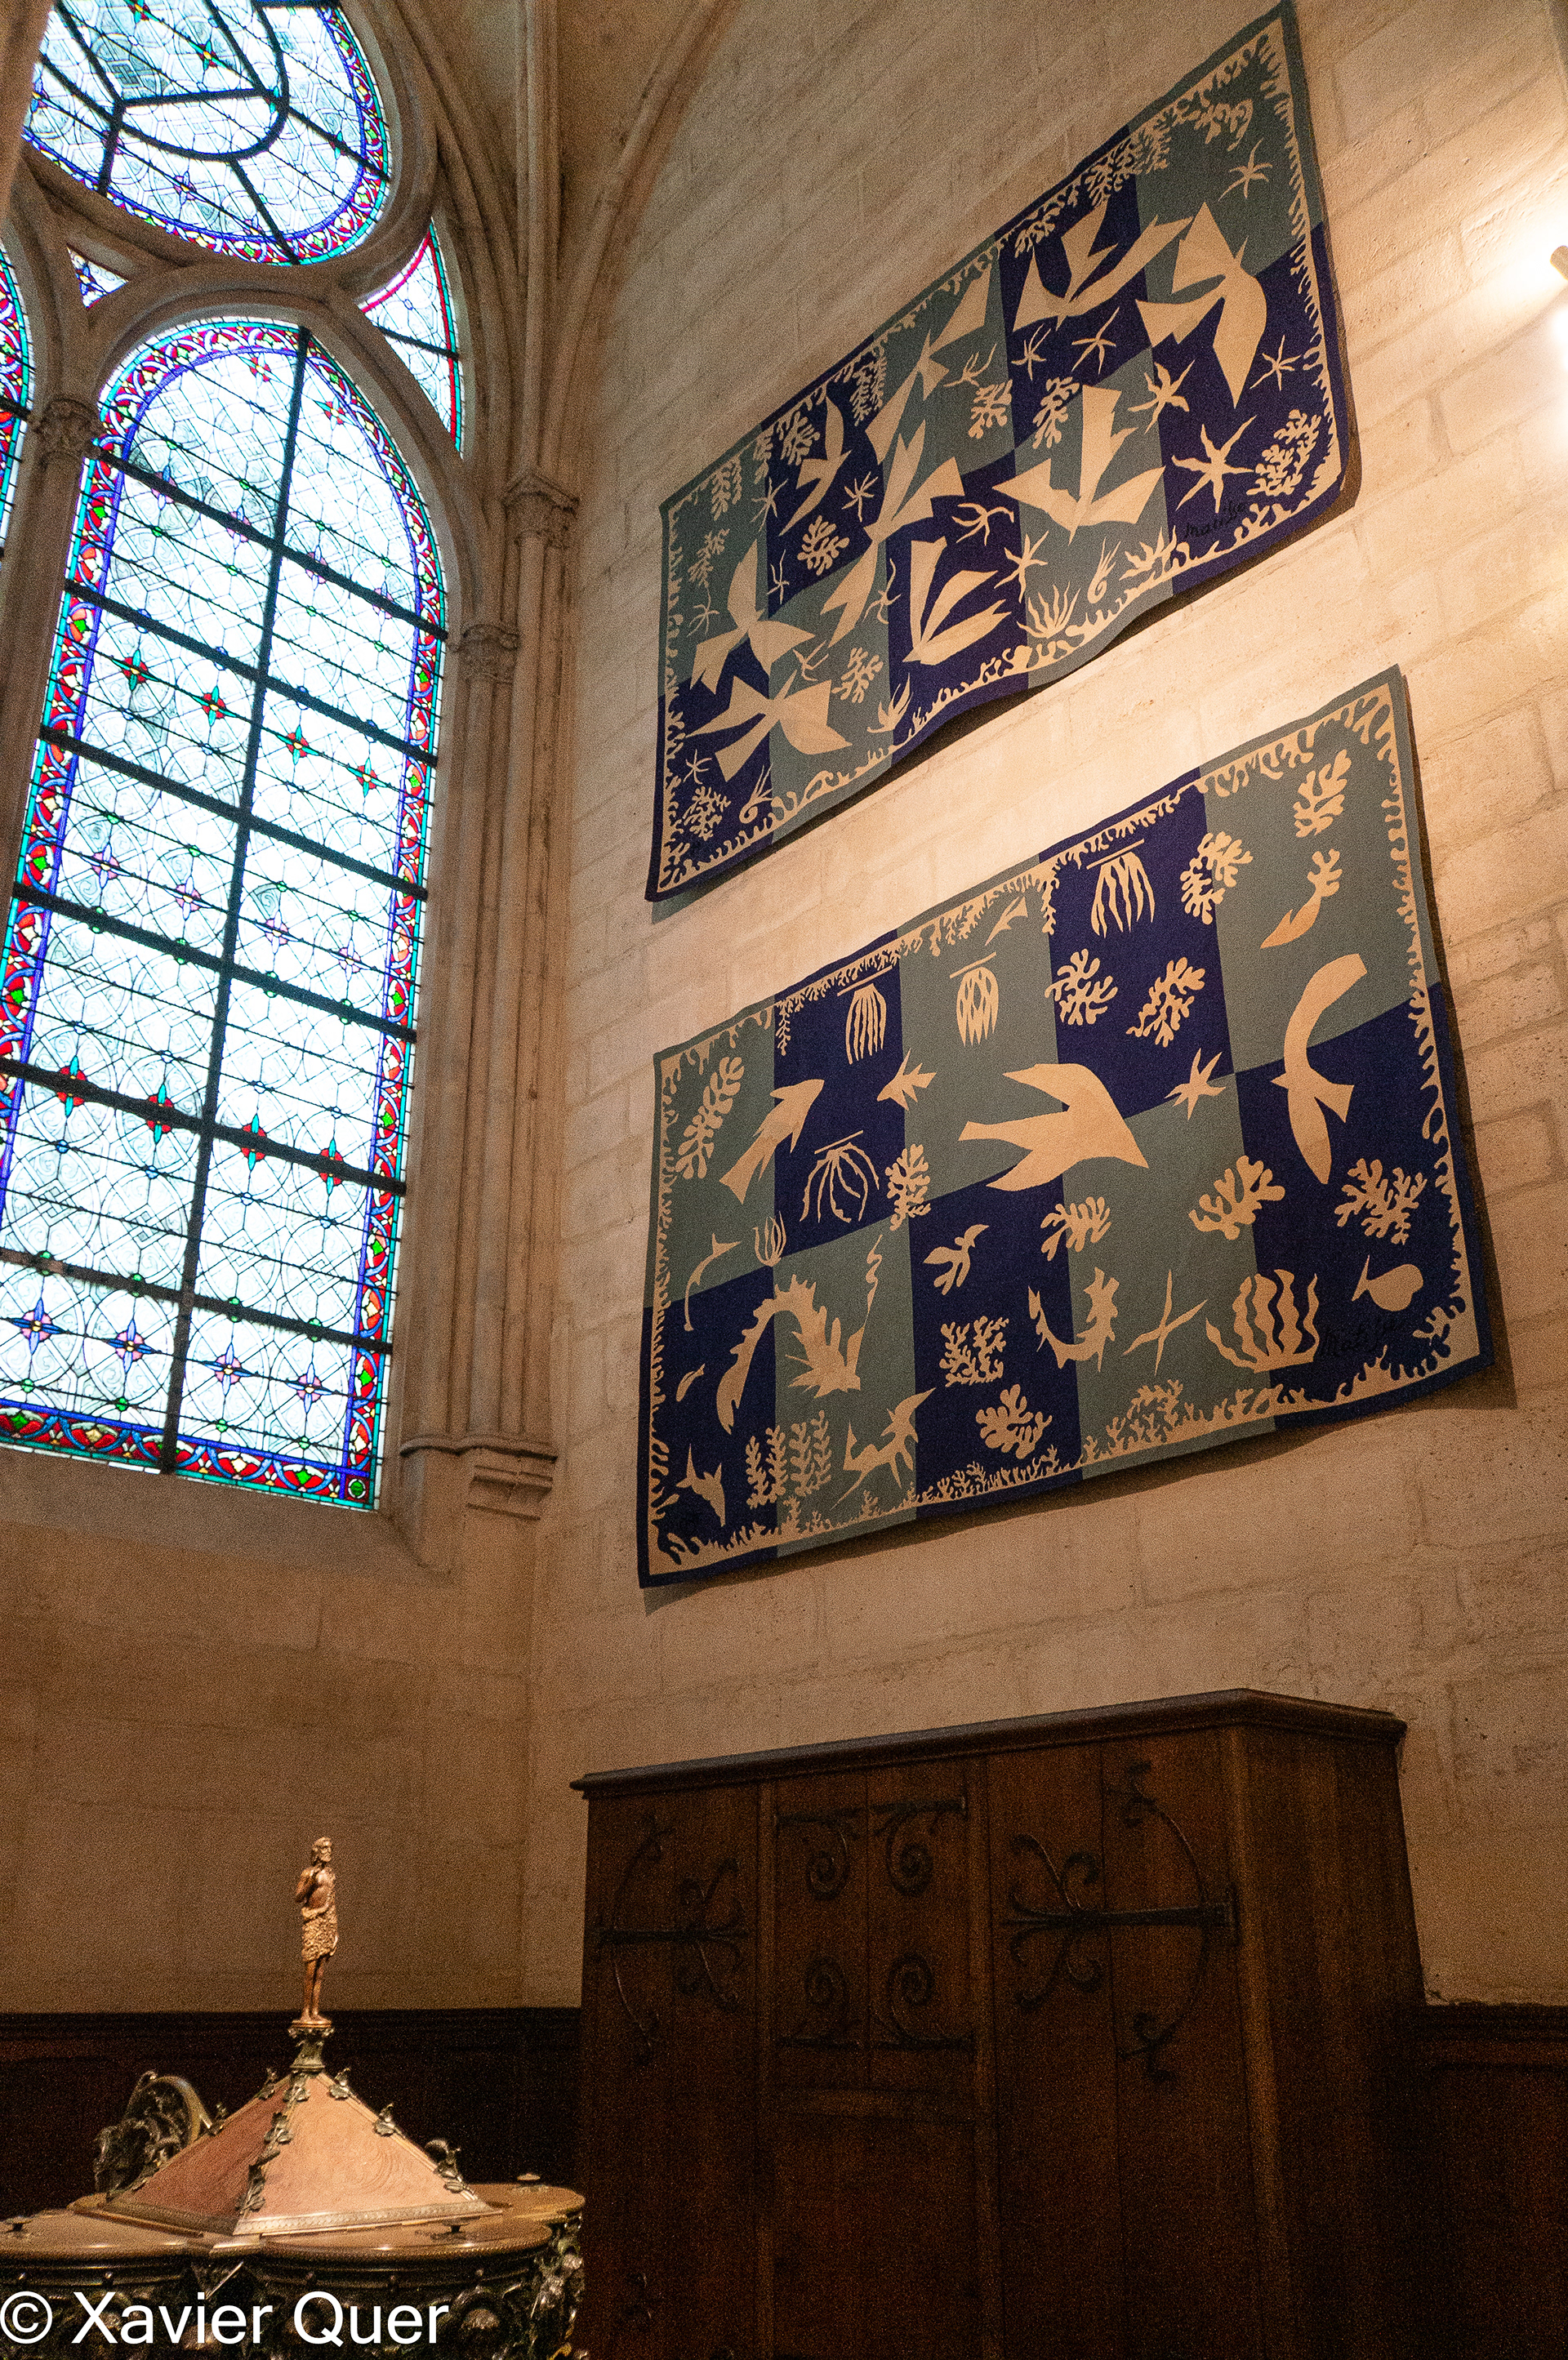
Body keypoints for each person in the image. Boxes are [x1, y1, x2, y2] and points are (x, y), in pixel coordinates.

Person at [295, 1837, 337, 2024]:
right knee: (310, 1971)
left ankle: (315, 2010)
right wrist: (310, 1884)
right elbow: (298, 1897)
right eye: (325, 1848)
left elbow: (332, 1902)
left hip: (326, 1923)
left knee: (320, 1972)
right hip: (312, 1922)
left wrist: (335, 1931)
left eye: (330, 1849)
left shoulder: (330, 1875)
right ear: (317, 1851)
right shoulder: (308, 1873)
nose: (329, 1852)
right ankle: (305, 2011)